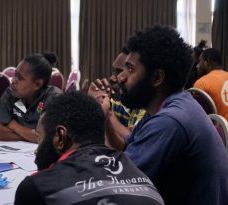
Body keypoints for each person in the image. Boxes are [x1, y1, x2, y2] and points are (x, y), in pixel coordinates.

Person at [91, 26, 228, 205]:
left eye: (130, 69)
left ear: (157, 77)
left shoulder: (170, 122)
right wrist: (106, 114)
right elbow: (127, 147)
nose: (120, 78)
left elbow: (114, 182)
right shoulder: (171, 106)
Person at [14, 92, 164, 205]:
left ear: (60, 137)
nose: (36, 151)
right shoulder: (136, 171)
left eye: (39, 139)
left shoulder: (37, 187)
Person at [0, 52, 62, 142]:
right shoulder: (11, 92)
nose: (13, 80)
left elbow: (49, 139)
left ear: (37, 84)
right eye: (15, 74)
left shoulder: (54, 98)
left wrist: (13, 125)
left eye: (19, 78)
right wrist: (31, 136)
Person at [91, 47, 146, 131]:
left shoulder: (148, 107)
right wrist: (92, 103)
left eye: (120, 72)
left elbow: (132, 140)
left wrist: (107, 112)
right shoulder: (116, 103)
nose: (112, 78)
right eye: (114, 71)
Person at [194, 48, 228, 120]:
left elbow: (198, 118)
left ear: (207, 62)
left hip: (220, 130)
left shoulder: (201, 83)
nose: (197, 66)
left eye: (200, 61)